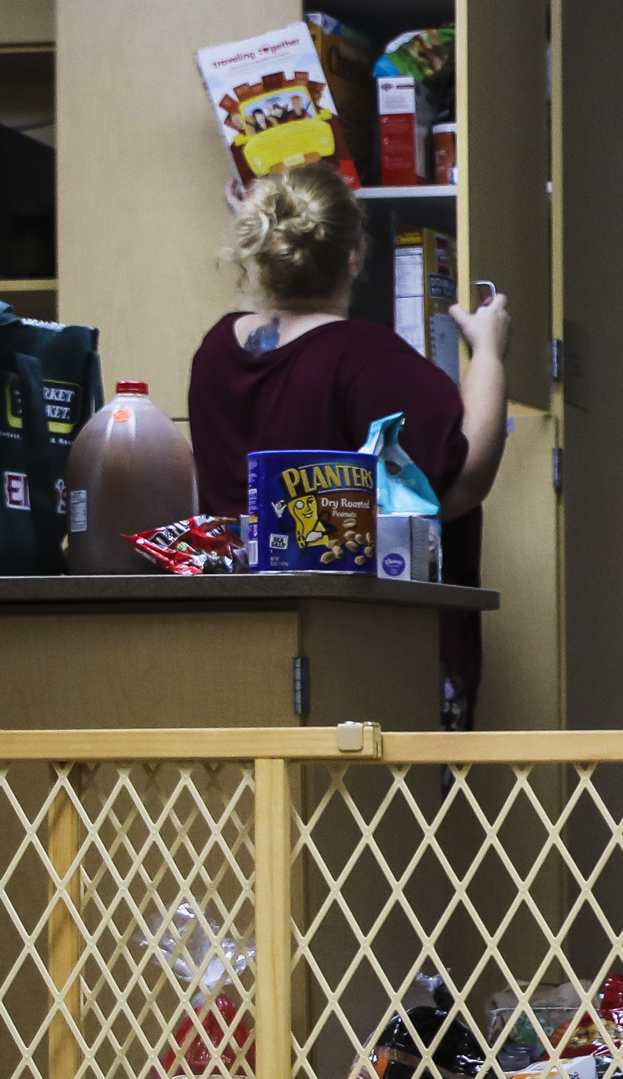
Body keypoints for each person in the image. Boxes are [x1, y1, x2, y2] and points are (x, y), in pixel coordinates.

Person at [188, 161, 513, 726]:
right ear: (353, 258)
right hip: (366, 656)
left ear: (260, 249)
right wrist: (488, 350)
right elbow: (457, 482)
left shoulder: (216, 351)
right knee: (373, 814)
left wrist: (266, 229)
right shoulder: (364, 355)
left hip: (247, 646)